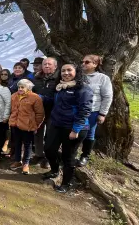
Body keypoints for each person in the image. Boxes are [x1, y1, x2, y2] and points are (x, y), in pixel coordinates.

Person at [43, 64, 93, 193]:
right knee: (49, 149)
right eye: (63, 70)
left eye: (69, 70)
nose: (65, 73)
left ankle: (66, 184)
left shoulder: (83, 89)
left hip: (74, 128)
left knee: (68, 157)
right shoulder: (60, 87)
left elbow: (85, 111)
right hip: (56, 124)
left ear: (77, 72)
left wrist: (76, 129)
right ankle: (54, 170)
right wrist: (36, 97)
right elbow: (53, 102)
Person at [78, 54, 113, 167]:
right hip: (76, 110)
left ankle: (85, 155)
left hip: (91, 112)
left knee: (88, 133)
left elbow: (107, 96)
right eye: (83, 62)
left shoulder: (102, 78)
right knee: (74, 132)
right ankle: (71, 153)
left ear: (95, 64)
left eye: (87, 62)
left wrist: (102, 113)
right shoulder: (78, 75)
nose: (83, 64)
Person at [9, 79, 45, 175]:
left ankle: (26, 163)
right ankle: (17, 161)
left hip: (28, 126)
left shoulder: (35, 98)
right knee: (17, 143)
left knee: (27, 145)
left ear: (28, 88)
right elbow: (12, 110)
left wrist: (36, 125)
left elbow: (40, 113)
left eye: (22, 87)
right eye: (19, 87)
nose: (20, 89)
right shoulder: (14, 96)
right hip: (15, 124)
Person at [32, 57, 60, 169]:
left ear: (55, 66)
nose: (47, 66)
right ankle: (39, 155)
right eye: (45, 64)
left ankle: (48, 158)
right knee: (37, 134)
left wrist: (45, 98)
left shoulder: (58, 79)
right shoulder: (36, 78)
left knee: (50, 136)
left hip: (52, 112)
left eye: (49, 64)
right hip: (38, 112)